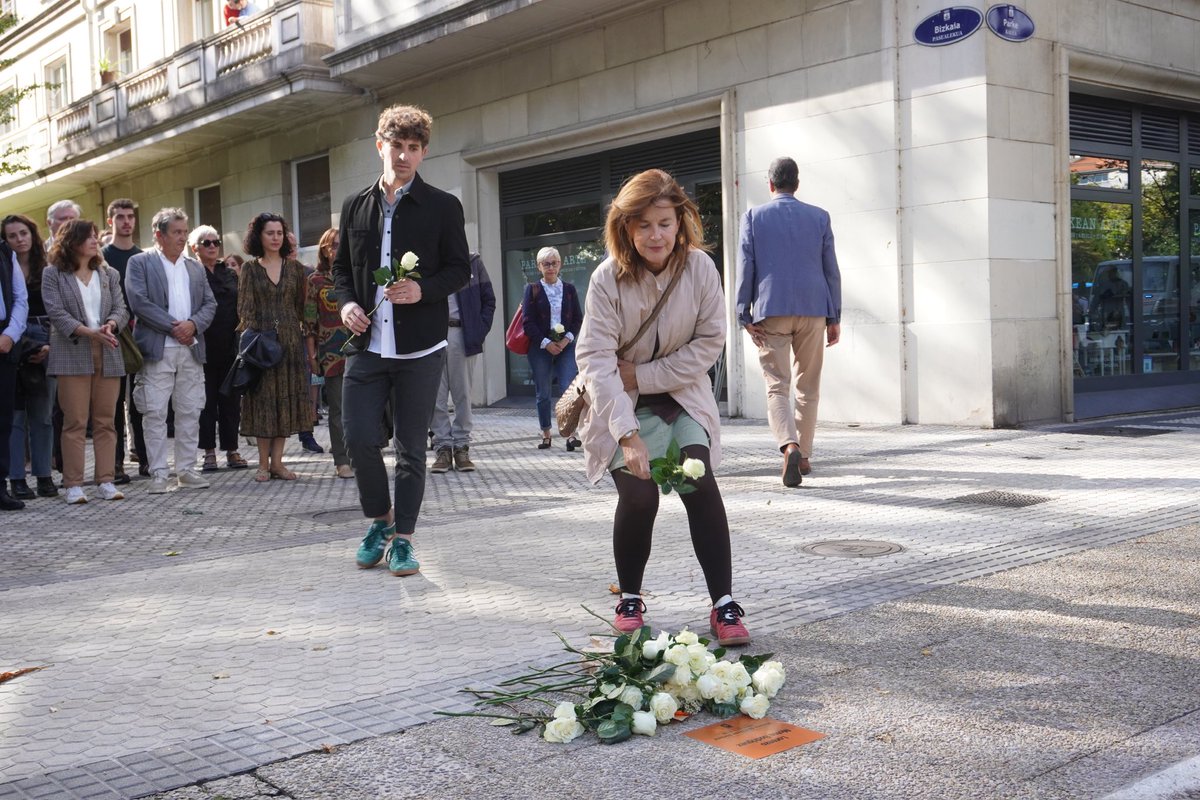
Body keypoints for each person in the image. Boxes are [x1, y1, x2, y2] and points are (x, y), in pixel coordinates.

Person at [575, 168, 750, 647]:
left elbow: (710, 342)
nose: (656, 235)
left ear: (681, 223)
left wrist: (646, 374)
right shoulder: (606, 278)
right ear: (627, 227)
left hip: (681, 398)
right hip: (622, 406)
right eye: (644, 224)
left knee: (699, 481)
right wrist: (628, 435)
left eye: (665, 223)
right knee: (639, 496)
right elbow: (595, 358)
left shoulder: (699, 269)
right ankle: (629, 597)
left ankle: (724, 604)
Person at [333, 103, 470, 577]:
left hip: (420, 350)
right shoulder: (355, 205)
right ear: (380, 146)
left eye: (414, 148)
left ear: (423, 152)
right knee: (358, 438)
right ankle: (381, 522)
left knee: (412, 448)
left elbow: (459, 269)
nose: (404, 156)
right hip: (367, 348)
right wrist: (346, 304)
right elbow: (338, 272)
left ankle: (405, 540)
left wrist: (422, 289)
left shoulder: (443, 206)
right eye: (397, 146)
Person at [735, 156, 841, 487]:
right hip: (813, 309)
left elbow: (746, 266)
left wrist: (743, 312)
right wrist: (834, 315)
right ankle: (805, 456)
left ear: (770, 184)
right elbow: (830, 270)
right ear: (797, 184)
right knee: (808, 385)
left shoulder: (754, 216)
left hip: (772, 308)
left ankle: (789, 445)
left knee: (777, 385)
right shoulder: (820, 217)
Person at [125, 208, 217, 494]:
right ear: (159, 235)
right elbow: (139, 302)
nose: (182, 237)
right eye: (176, 232)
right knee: (153, 412)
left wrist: (192, 325)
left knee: (190, 410)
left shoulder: (195, 267)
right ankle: (159, 473)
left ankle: (186, 470)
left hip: (190, 350)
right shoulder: (139, 263)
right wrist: (173, 327)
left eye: (184, 231)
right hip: (156, 350)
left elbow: (210, 305)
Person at [41, 220, 128, 504]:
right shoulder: (53, 274)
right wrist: (89, 331)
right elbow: (55, 312)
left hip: (108, 349)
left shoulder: (109, 273)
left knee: (106, 421)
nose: (95, 241)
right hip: (72, 351)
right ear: (71, 241)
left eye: (95, 237)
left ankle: (106, 480)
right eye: (88, 237)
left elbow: (121, 308)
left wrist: (111, 325)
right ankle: (73, 484)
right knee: (75, 421)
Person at [238, 212, 311, 482]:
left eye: (280, 233)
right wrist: (255, 340)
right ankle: (261, 465)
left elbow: (302, 307)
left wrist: (307, 335)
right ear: (259, 236)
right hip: (261, 343)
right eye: (270, 233)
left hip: (290, 342)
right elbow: (244, 309)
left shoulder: (295, 268)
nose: (276, 238)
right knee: (263, 401)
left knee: (285, 401)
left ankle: (278, 463)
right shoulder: (250, 269)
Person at [3, 215, 56, 500]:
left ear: (32, 234)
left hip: (46, 336)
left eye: (23, 233)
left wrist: (48, 345)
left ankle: (44, 475)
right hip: (12, 338)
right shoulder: (3, 267)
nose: (19, 239)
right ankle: (16, 478)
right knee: (15, 414)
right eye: (12, 235)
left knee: (43, 412)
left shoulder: (48, 266)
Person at [430, 251, 495, 473]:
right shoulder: (428, 260)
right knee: (435, 396)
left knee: (463, 394)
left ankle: (461, 447)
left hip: (462, 334)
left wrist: (478, 330)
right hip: (432, 335)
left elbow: (489, 299)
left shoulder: (472, 261)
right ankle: (442, 448)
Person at [190, 225, 247, 472]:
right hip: (202, 346)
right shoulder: (191, 272)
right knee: (206, 403)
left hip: (229, 346)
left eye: (216, 242)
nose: (213, 246)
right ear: (195, 248)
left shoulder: (230, 273)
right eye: (206, 243)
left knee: (230, 401)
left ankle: (232, 450)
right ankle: (208, 453)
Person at [522, 246, 582, 451]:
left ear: (560, 264)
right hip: (540, 346)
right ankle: (546, 433)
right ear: (539, 266)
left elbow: (578, 319)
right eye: (546, 263)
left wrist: (566, 340)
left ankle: (570, 434)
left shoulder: (569, 289)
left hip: (566, 345)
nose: (551, 267)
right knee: (544, 392)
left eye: (554, 262)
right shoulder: (532, 289)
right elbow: (527, 322)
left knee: (568, 387)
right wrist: (546, 343)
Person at [305, 227, 353, 479]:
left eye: (340, 244)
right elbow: (309, 324)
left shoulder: (355, 276)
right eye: (331, 245)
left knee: (363, 407)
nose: (336, 249)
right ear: (324, 250)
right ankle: (342, 460)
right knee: (338, 408)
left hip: (359, 349)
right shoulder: (315, 280)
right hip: (331, 352)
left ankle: (362, 455)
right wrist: (313, 357)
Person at [102, 198, 141, 484]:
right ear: (110, 221)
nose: (126, 221)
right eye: (120, 217)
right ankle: (114, 464)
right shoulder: (101, 258)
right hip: (112, 335)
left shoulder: (143, 257)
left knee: (140, 401)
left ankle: (144, 458)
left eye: (130, 216)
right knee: (113, 403)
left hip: (140, 335)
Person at [0, 227, 29, 511]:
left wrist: (10, 334)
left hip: (4, 342)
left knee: (3, 421)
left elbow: (20, 299)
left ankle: (0, 488)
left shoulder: (5, 253)